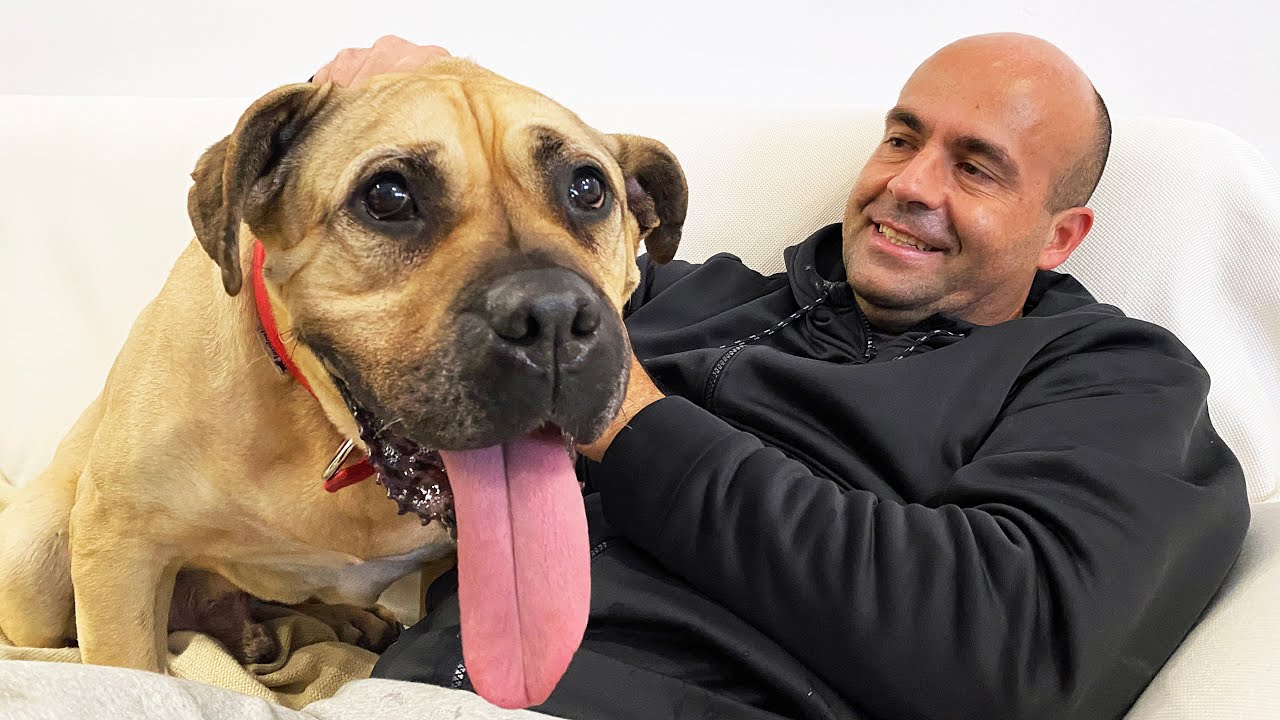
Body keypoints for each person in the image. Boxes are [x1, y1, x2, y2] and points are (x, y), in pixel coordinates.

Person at [314, 34, 1250, 720]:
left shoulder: (1118, 378)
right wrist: (392, 114)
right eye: (901, 139)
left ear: (1060, 235)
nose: (911, 185)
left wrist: (626, 415)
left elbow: (1016, 657)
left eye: (975, 168)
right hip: (401, 689)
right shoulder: (680, 295)